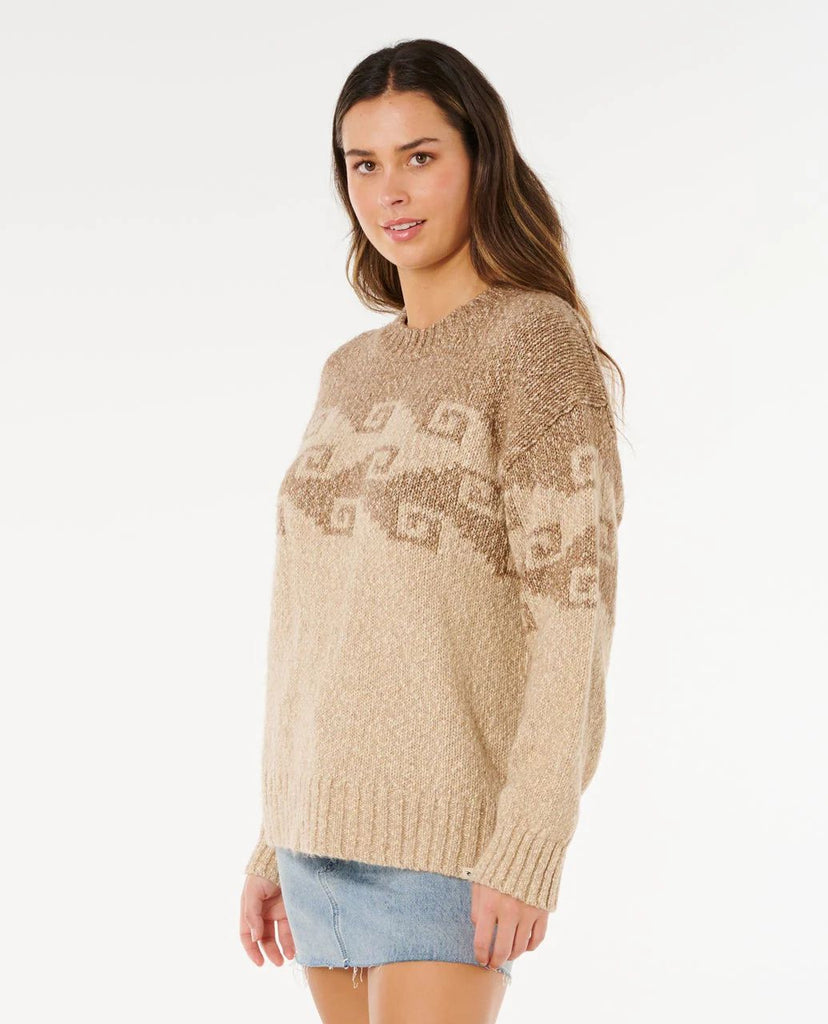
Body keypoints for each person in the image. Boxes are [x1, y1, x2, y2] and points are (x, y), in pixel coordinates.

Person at [238, 37, 626, 1024]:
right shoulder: (348, 372)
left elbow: (572, 623)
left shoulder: (534, 343)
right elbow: (312, 623)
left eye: (420, 156)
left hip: (447, 845)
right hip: (315, 842)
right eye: (363, 164)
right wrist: (273, 839)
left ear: (480, 157)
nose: (391, 191)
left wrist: (529, 845)